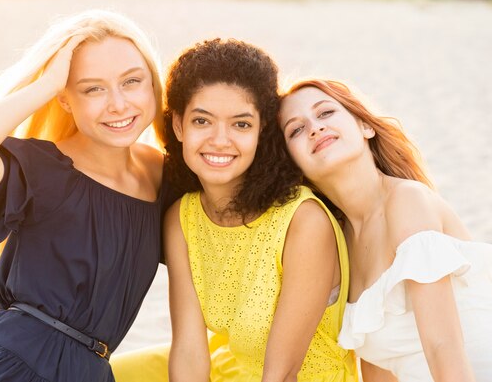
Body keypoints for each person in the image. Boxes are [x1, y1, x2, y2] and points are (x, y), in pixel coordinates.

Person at [0, 9, 175, 382]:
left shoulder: (164, 176)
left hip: (88, 370)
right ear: (65, 99)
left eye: (131, 81)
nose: (118, 104)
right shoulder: (45, 170)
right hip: (8, 366)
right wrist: (44, 86)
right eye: (92, 88)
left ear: (153, 84)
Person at [112, 39, 357, 382]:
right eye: (202, 121)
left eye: (241, 124)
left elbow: (282, 373)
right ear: (179, 125)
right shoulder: (182, 218)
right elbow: (188, 348)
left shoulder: (303, 220)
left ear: (261, 132)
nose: (220, 140)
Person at [278, 78, 492, 382]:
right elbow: (380, 366)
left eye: (326, 113)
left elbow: (442, 348)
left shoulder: (407, 201)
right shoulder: (339, 244)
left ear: (365, 127)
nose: (314, 128)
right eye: (296, 129)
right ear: (295, 166)